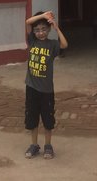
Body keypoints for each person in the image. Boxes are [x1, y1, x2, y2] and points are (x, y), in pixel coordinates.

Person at [24, 9, 68, 160]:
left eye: (43, 29)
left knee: (48, 120)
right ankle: (34, 145)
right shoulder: (32, 41)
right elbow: (28, 22)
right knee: (32, 118)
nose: (40, 32)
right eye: (37, 30)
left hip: (46, 91)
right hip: (31, 88)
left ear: (48, 30)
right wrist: (43, 16)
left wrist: (56, 27)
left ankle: (48, 145)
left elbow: (64, 44)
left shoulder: (52, 45)